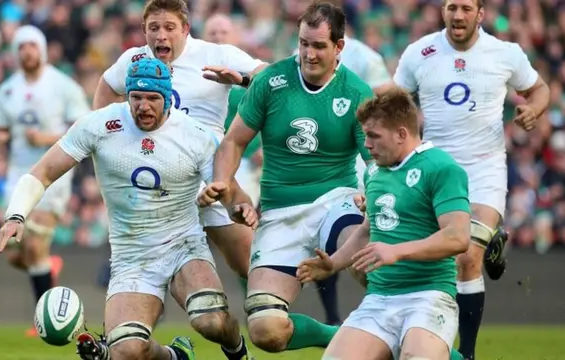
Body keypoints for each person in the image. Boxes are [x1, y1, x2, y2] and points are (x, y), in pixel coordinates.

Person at [0, 58, 256, 360]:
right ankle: (177, 356)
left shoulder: (194, 135)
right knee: (126, 351)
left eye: (152, 98)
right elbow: (43, 172)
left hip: (183, 246)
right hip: (131, 257)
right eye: (136, 98)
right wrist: (16, 214)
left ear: (168, 98)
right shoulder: (100, 125)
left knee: (212, 322)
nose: (143, 106)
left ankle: (239, 352)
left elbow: (229, 189)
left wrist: (240, 207)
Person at [198, 2, 373, 354]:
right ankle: (341, 336)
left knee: (371, 264)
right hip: (279, 212)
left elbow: (378, 160)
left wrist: (373, 191)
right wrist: (222, 181)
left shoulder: (356, 93)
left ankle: (427, 345)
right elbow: (234, 141)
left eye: (319, 45)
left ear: (339, 47)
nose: (308, 54)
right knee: (266, 329)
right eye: (304, 43)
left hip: (334, 202)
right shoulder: (271, 82)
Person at [391, 0, 550, 358]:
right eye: (451, 7)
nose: (457, 15)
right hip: (432, 171)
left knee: (465, 255)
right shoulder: (420, 53)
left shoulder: (505, 53)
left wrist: (533, 110)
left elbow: (540, 90)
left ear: (480, 13)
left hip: (483, 169)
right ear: (442, 11)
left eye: (465, 7)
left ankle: (469, 353)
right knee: (433, 261)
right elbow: (395, 102)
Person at [93, 0, 268, 288]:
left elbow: (271, 75)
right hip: (155, 182)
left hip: (207, 177)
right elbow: (107, 85)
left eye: (169, 27)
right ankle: (135, 325)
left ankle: (273, 319)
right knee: (146, 274)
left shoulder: (215, 54)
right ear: (144, 30)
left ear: (186, 29)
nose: (161, 35)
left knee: (250, 265)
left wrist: (242, 79)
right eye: (154, 28)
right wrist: (106, 136)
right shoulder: (134, 61)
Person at [297, 87, 471, 360]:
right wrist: (333, 263)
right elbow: (367, 229)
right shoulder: (374, 172)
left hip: (428, 297)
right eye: (366, 135)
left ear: (402, 134)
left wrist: (397, 250)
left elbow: (458, 237)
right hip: (378, 300)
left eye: (373, 136)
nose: (366, 144)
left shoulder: (441, 168)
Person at [0, 25, 90, 337]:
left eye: (32, 46)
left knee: (34, 241)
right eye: (22, 47)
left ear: (41, 49)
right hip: (18, 174)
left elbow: (83, 125)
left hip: (54, 170)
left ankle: (42, 319)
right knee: (15, 250)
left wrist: (45, 137)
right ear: (16, 52)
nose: (27, 52)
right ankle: (47, 265)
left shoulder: (62, 85)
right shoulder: (7, 90)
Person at [292, 3, 393, 323]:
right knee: (331, 239)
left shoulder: (365, 59)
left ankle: (390, 309)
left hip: (363, 156)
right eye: (306, 44)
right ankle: (334, 316)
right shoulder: (302, 48)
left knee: (363, 240)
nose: (311, 52)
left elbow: (383, 103)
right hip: (324, 153)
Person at [203, 13, 263, 208]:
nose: (218, 37)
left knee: (239, 212)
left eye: (224, 32)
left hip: (247, 159)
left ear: (236, 37)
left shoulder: (252, 69)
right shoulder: (196, 72)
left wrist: (266, 150)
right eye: (212, 33)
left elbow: (274, 107)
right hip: (206, 157)